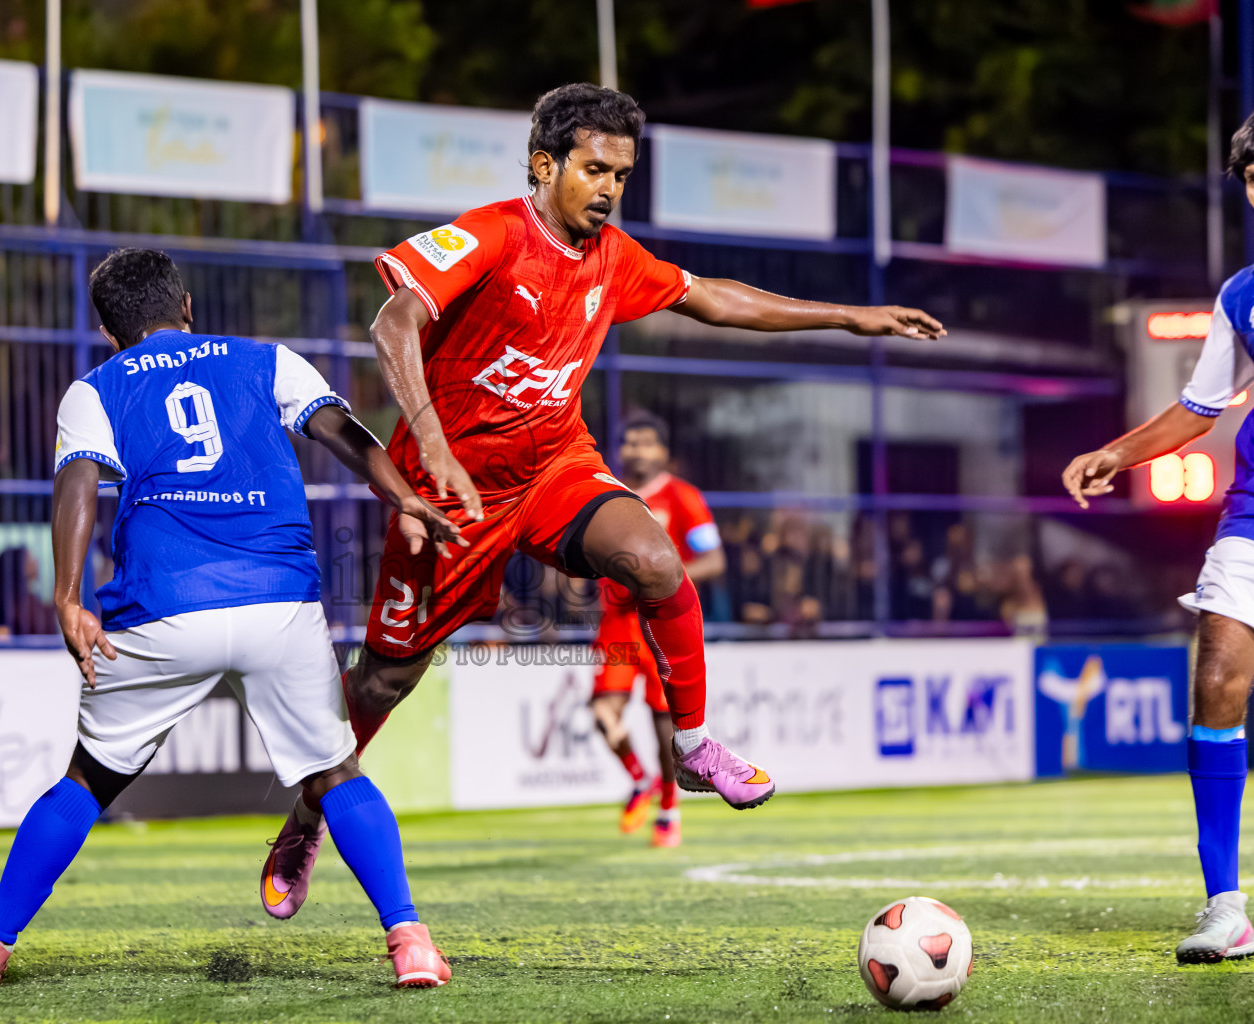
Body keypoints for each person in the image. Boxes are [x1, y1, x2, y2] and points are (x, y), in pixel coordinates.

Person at [261, 82, 944, 917]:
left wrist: (849, 317)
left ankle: (691, 748)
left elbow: (712, 297)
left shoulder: (613, 257)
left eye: (622, 173)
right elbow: (392, 323)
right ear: (545, 165)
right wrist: (433, 441)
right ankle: (305, 818)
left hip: (553, 467)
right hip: (450, 498)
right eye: (594, 169)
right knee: (382, 681)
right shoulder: (493, 234)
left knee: (656, 561)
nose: (611, 188)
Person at [0, 248, 463, 991]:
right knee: (336, 772)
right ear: (185, 305)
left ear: (106, 329)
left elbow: (78, 487)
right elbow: (345, 432)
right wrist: (404, 495)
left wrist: (67, 598)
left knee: (84, 784)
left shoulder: (93, 391)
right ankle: (409, 940)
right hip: (277, 603)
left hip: (163, 609)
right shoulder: (269, 361)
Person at [1061, 109, 1254, 966]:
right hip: (1253, 512)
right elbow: (1199, 407)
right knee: (1216, 675)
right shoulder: (1243, 294)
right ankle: (1226, 905)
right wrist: (1116, 452)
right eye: (1252, 181)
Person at [589, 412, 724, 848]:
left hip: (660, 621)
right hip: (617, 623)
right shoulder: (606, 490)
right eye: (630, 442)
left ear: (663, 451)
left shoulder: (682, 498)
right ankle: (639, 779)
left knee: (662, 721)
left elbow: (714, 560)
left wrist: (662, 579)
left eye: (647, 443)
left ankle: (669, 807)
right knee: (601, 713)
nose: (637, 450)